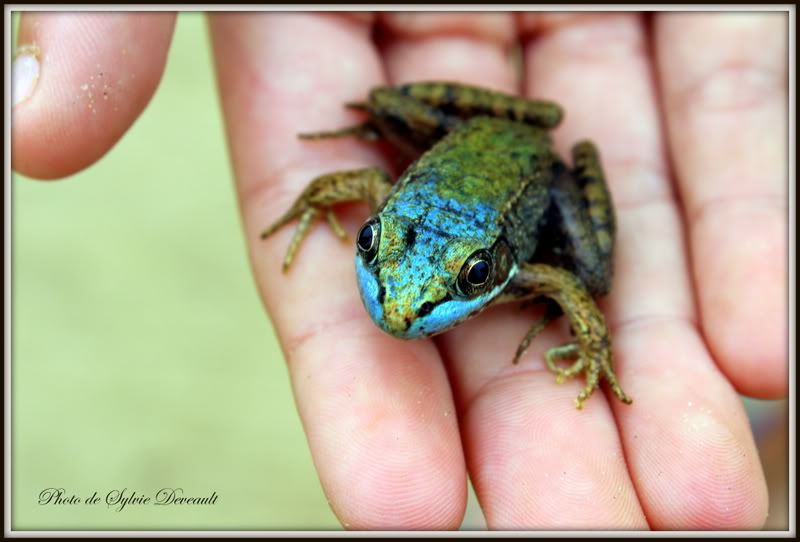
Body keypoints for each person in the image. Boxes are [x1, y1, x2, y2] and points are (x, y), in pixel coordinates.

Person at [12, 11, 788, 530]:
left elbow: (558, 281)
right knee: (387, 100)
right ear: (381, 230)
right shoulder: (389, 204)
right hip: (472, 140)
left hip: (534, 177)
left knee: (591, 272)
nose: (397, 311)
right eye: (376, 250)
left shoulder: (517, 273)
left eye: (458, 283)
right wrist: (316, 201)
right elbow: (355, 187)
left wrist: (595, 346)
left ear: (486, 275)